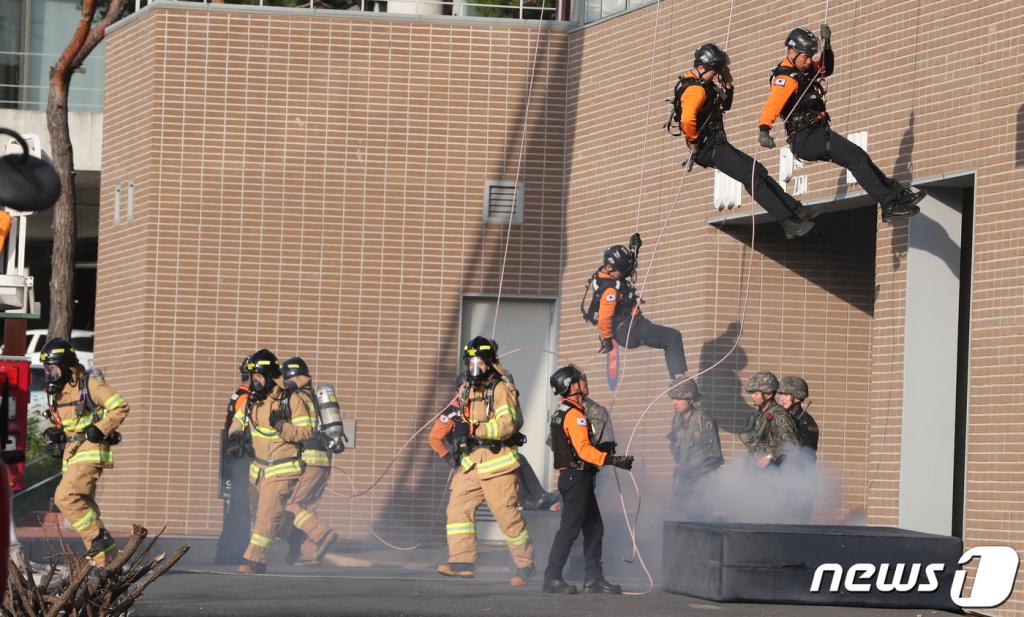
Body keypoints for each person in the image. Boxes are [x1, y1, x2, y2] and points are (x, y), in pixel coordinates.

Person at [757, 25, 924, 223]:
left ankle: (896, 194)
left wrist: (827, 45)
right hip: (806, 138)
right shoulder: (785, 78)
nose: (809, 61)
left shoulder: (804, 70)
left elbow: (826, 69)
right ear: (792, 52)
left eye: (811, 57)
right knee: (855, 159)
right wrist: (764, 130)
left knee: (859, 157)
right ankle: (888, 204)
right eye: (806, 57)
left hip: (816, 133)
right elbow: (772, 105)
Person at [672, 43, 817, 239]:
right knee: (751, 176)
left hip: (717, 144)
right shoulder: (695, 90)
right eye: (715, 71)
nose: (716, 76)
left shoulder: (702, 83)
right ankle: (788, 223)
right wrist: (694, 140)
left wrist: (728, 83)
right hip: (709, 148)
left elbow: (725, 104)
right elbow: (687, 119)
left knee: (757, 170)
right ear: (701, 67)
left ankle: (797, 209)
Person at [428, 337, 536, 586]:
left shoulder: (500, 388)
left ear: (488, 362)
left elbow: (507, 425)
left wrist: (474, 429)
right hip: (473, 462)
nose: (473, 368)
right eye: (470, 363)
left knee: (507, 518)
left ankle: (526, 565)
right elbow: (461, 419)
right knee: (457, 508)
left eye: (478, 363)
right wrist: (458, 435)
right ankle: (462, 561)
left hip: (498, 463)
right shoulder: (468, 389)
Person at [543, 365, 633, 594]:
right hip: (577, 478)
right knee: (569, 531)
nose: (585, 384)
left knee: (595, 528)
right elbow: (583, 451)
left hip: (574, 477)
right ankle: (552, 577)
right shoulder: (575, 416)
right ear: (572, 386)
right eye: (580, 380)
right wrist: (613, 460)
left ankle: (593, 579)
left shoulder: (562, 411)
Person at [40, 339, 129, 567]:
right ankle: (105, 562)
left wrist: (100, 428)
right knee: (84, 505)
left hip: (91, 450)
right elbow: (66, 424)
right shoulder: (57, 393)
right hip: (72, 454)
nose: (50, 375)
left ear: (67, 367)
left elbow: (120, 405)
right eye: (47, 370)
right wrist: (55, 435)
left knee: (65, 496)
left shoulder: (90, 385)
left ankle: (99, 539)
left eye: (53, 369)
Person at [228, 349, 315, 574]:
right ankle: (293, 535)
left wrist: (282, 427)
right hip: (258, 470)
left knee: (266, 517)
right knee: (261, 514)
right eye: (252, 377)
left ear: (268, 376)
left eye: (257, 376)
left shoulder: (292, 400)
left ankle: (255, 561)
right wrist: (236, 438)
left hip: (283, 469)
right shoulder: (252, 401)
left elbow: (307, 431)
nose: (254, 381)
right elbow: (238, 423)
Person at [584, 238, 688, 380]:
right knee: (672, 338)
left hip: (632, 325)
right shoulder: (609, 291)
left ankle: (679, 379)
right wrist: (607, 339)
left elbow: (627, 268)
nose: (624, 274)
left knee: (671, 337)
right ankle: (680, 381)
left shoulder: (606, 273)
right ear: (609, 267)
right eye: (621, 271)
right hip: (630, 330)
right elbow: (604, 317)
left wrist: (634, 249)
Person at [280, 357, 339, 566]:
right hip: (323, 460)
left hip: (308, 459)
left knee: (289, 504)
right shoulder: (315, 397)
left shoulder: (296, 398)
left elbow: (299, 432)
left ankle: (321, 533)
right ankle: (310, 553)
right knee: (306, 507)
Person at [215, 357, 254, 565]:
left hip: (235, 458)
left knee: (238, 506)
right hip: (241, 459)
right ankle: (232, 551)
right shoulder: (245, 397)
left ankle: (229, 550)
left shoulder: (238, 394)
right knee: (241, 506)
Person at [665, 379, 723, 515]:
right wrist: (681, 463)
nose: (674, 403)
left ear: (691, 399)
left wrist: (693, 468)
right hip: (684, 479)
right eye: (673, 398)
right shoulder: (677, 419)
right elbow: (674, 442)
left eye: (679, 398)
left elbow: (714, 456)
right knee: (679, 516)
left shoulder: (703, 420)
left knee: (700, 518)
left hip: (702, 481)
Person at [740, 371, 799, 468]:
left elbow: (790, 446)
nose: (753, 396)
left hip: (773, 471)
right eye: (752, 393)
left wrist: (769, 457)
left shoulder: (779, 416)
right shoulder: (759, 414)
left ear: (769, 394)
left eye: (756, 393)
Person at [777, 375, 819, 462]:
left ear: (797, 398)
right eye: (781, 394)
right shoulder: (779, 418)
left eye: (786, 395)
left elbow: (807, 457)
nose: (781, 399)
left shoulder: (806, 422)